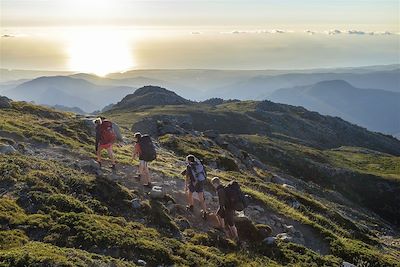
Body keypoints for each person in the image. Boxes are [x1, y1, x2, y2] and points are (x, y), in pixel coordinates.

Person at [211, 177, 239, 241]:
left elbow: (221, 201)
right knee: (218, 215)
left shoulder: (220, 190)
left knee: (231, 223)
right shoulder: (223, 188)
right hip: (228, 206)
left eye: (213, 184)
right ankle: (222, 227)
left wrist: (221, 208)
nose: (213, 186)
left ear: (215, 183)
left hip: (228, 207)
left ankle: (236, 237)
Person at [183, 155, 207, 219]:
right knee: (201, 198)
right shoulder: (199, 164)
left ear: (189, 160)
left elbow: (187, 177)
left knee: (190, 194)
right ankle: (205, 212)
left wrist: (185, 186)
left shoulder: (189, 166)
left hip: (194, 182)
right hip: (201, 182)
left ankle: (191, 206)